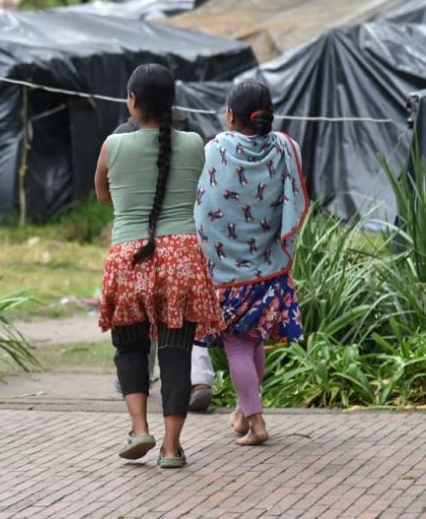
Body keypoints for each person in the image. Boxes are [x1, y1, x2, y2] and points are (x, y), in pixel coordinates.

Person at [95, 63, 224, 469]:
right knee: (176, 351)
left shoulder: (111, 146)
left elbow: (103, 196)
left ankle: (139, 429)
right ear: (172, 103)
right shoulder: (193, 144)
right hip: (182, 256)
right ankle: (171, 448)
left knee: (130, 346)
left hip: (130, 256)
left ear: (132, 101)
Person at [193, 81, 309, 446]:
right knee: (253, 343)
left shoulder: (215, 149)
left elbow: (205, 204)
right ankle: (244, 413)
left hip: (226, 273)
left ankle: (257, 422)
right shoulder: (286, 147)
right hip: (268, 266)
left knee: (238, 347)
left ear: (229, 115)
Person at [111, 112, 217, 413]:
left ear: (133, 100)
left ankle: (136, 385)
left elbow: (108, 192)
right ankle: (199, 381)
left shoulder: (119, 137)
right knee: (184, 327)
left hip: (134, 244)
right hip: (183, 244)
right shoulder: (194, 137)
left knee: (135, 330)